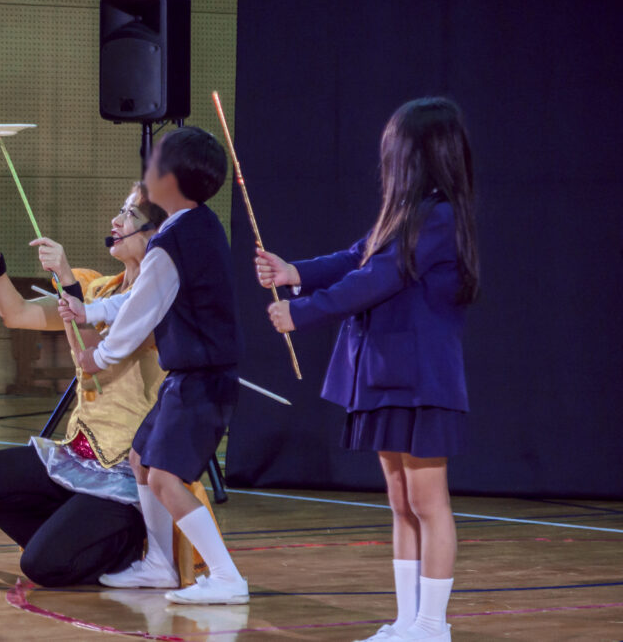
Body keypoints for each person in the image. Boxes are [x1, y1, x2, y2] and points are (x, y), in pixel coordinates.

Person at [256, 98, 478, 642]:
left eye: (394, 145)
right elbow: (356, 258)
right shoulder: (403, 214)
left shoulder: (440, 216)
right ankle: (407, 623)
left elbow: (375, 280)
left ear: (418, 153)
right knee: (401, 502)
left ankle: (432, 626)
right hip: (383, 374)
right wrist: (295, 273)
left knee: (428, 502)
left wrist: (301, 312)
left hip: (422, 379)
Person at [63, 126, 248, 605]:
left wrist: (96, 358)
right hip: (190, 377)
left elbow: (142, 310)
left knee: (165, 477)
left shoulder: (174, 242)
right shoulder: (192, 226)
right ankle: (161, 564)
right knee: (141, 460)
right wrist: (91, 311)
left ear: (171, 179)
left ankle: (227, 576)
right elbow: (137, 298)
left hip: (203, 380)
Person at [0, 181, 169, 587]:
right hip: (76, 456)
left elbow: (94, 357)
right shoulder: (95, 286)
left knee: (40, 567)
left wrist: (67, 279)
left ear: (154, 234)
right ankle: (73, 537)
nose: (116, 220)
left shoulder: (159, 301)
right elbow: (16, 313)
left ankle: (121, 544)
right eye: (121, 210)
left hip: (123, 472)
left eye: (129, 214)